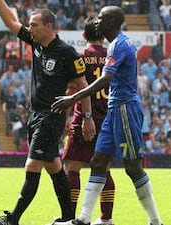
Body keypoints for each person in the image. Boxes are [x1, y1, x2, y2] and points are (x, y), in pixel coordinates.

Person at [51, 6, 164, 225]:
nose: (96, 22)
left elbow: (105, 80)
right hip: (113, 110)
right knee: (98, 161)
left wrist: (72, 99)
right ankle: (84, 219)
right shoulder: (115, 45)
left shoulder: (119, 45)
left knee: (133, 167)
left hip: (125, 109)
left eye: (100, 18)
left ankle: (156, 221)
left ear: (111, 21)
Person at [0, 1, 96, 225]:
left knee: (32, 164)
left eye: (34, 25)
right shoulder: (36, 42)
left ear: (49, 26)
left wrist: (86, 118)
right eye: (30, 25)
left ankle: (13, 219)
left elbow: (83, 86)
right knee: (53, 166)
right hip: (35, 114)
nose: (30, 29)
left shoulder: (67, 53)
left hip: (51, 116)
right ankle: (68, 218)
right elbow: (11, 20)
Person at [59, 16, 115, 225]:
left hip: (83, 118)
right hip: (108, 121)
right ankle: (106, 218)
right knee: (104, 170)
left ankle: (70, 217)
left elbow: (72, 89)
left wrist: (66, 118)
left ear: (84, 36)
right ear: (103, 35)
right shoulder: (112, 57)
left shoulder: (80, 56)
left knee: (72, 168)